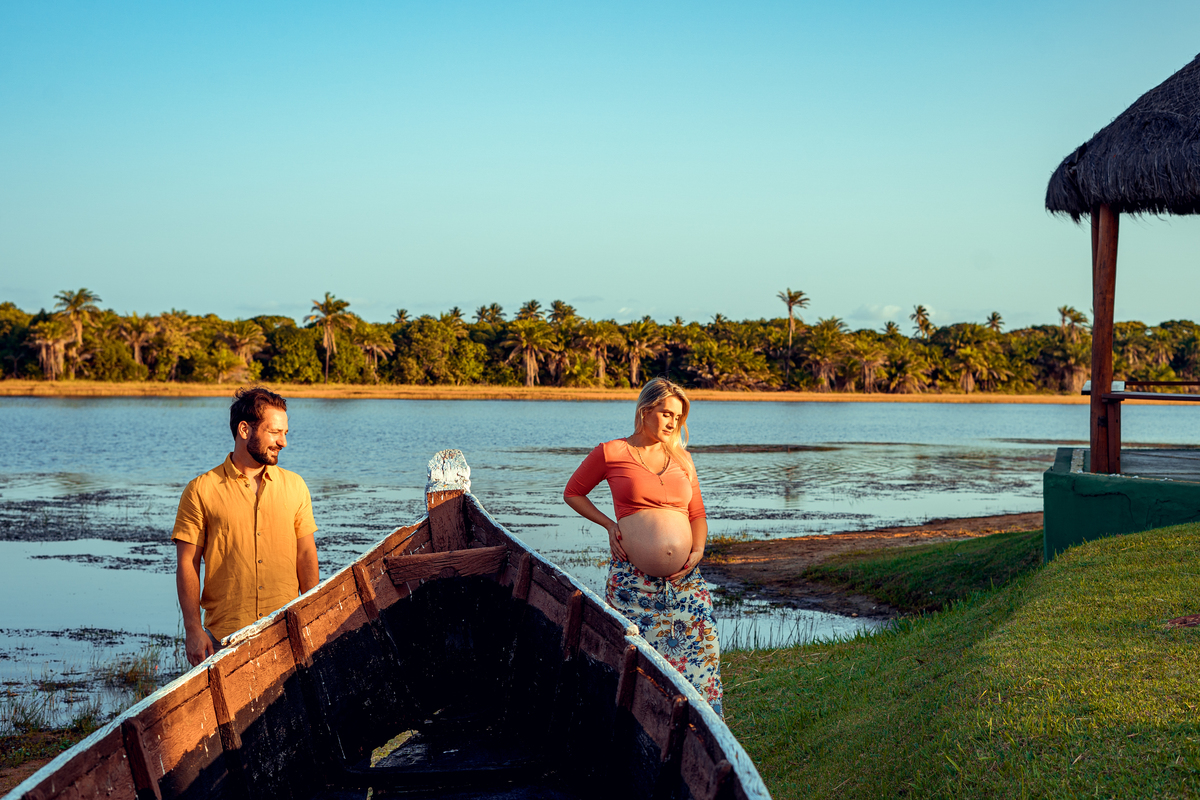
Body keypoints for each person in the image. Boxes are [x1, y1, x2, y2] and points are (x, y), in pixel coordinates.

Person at [564, 377, 722, 716]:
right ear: (644, 410)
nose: (672, 422)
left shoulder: (683, 458)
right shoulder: (611, 452)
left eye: (678, 417)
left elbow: (697, 514)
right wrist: (609, 524)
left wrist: (697, 550)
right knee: (634, 666)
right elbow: (573, 492)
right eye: (666, 413)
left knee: (701, 661)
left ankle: (702, 737)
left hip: (685, 584)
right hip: (633, 585)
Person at [173, 387, 320, 666]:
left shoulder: (296, 487)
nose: (283, 442)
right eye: (275, 432)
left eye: (285, 433)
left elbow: (306, 556)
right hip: (224, 640)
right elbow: (187, 564)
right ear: (244, 430)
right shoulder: (200, 490)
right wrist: (192, 629)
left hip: (285, 632)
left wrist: (313, 613)